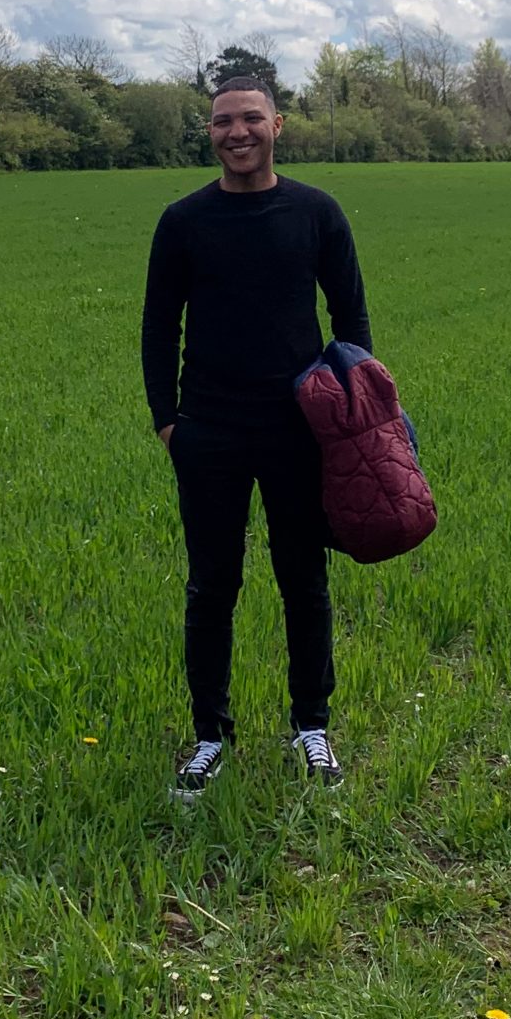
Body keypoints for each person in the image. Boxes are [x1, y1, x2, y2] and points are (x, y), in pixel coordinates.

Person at [141, 75, 372, 800]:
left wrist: (350, 416)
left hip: (298, 430)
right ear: (209, 133)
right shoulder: (183, 222)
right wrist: (168, 421)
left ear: (278, 124)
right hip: (208, 430)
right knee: (212, 586)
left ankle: (312, 725)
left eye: (249, 119)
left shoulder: (315, 213)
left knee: (303, 580)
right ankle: (210, 735)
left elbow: (352, 325)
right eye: (221, 122)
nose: (236, 133)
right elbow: (158, 328)